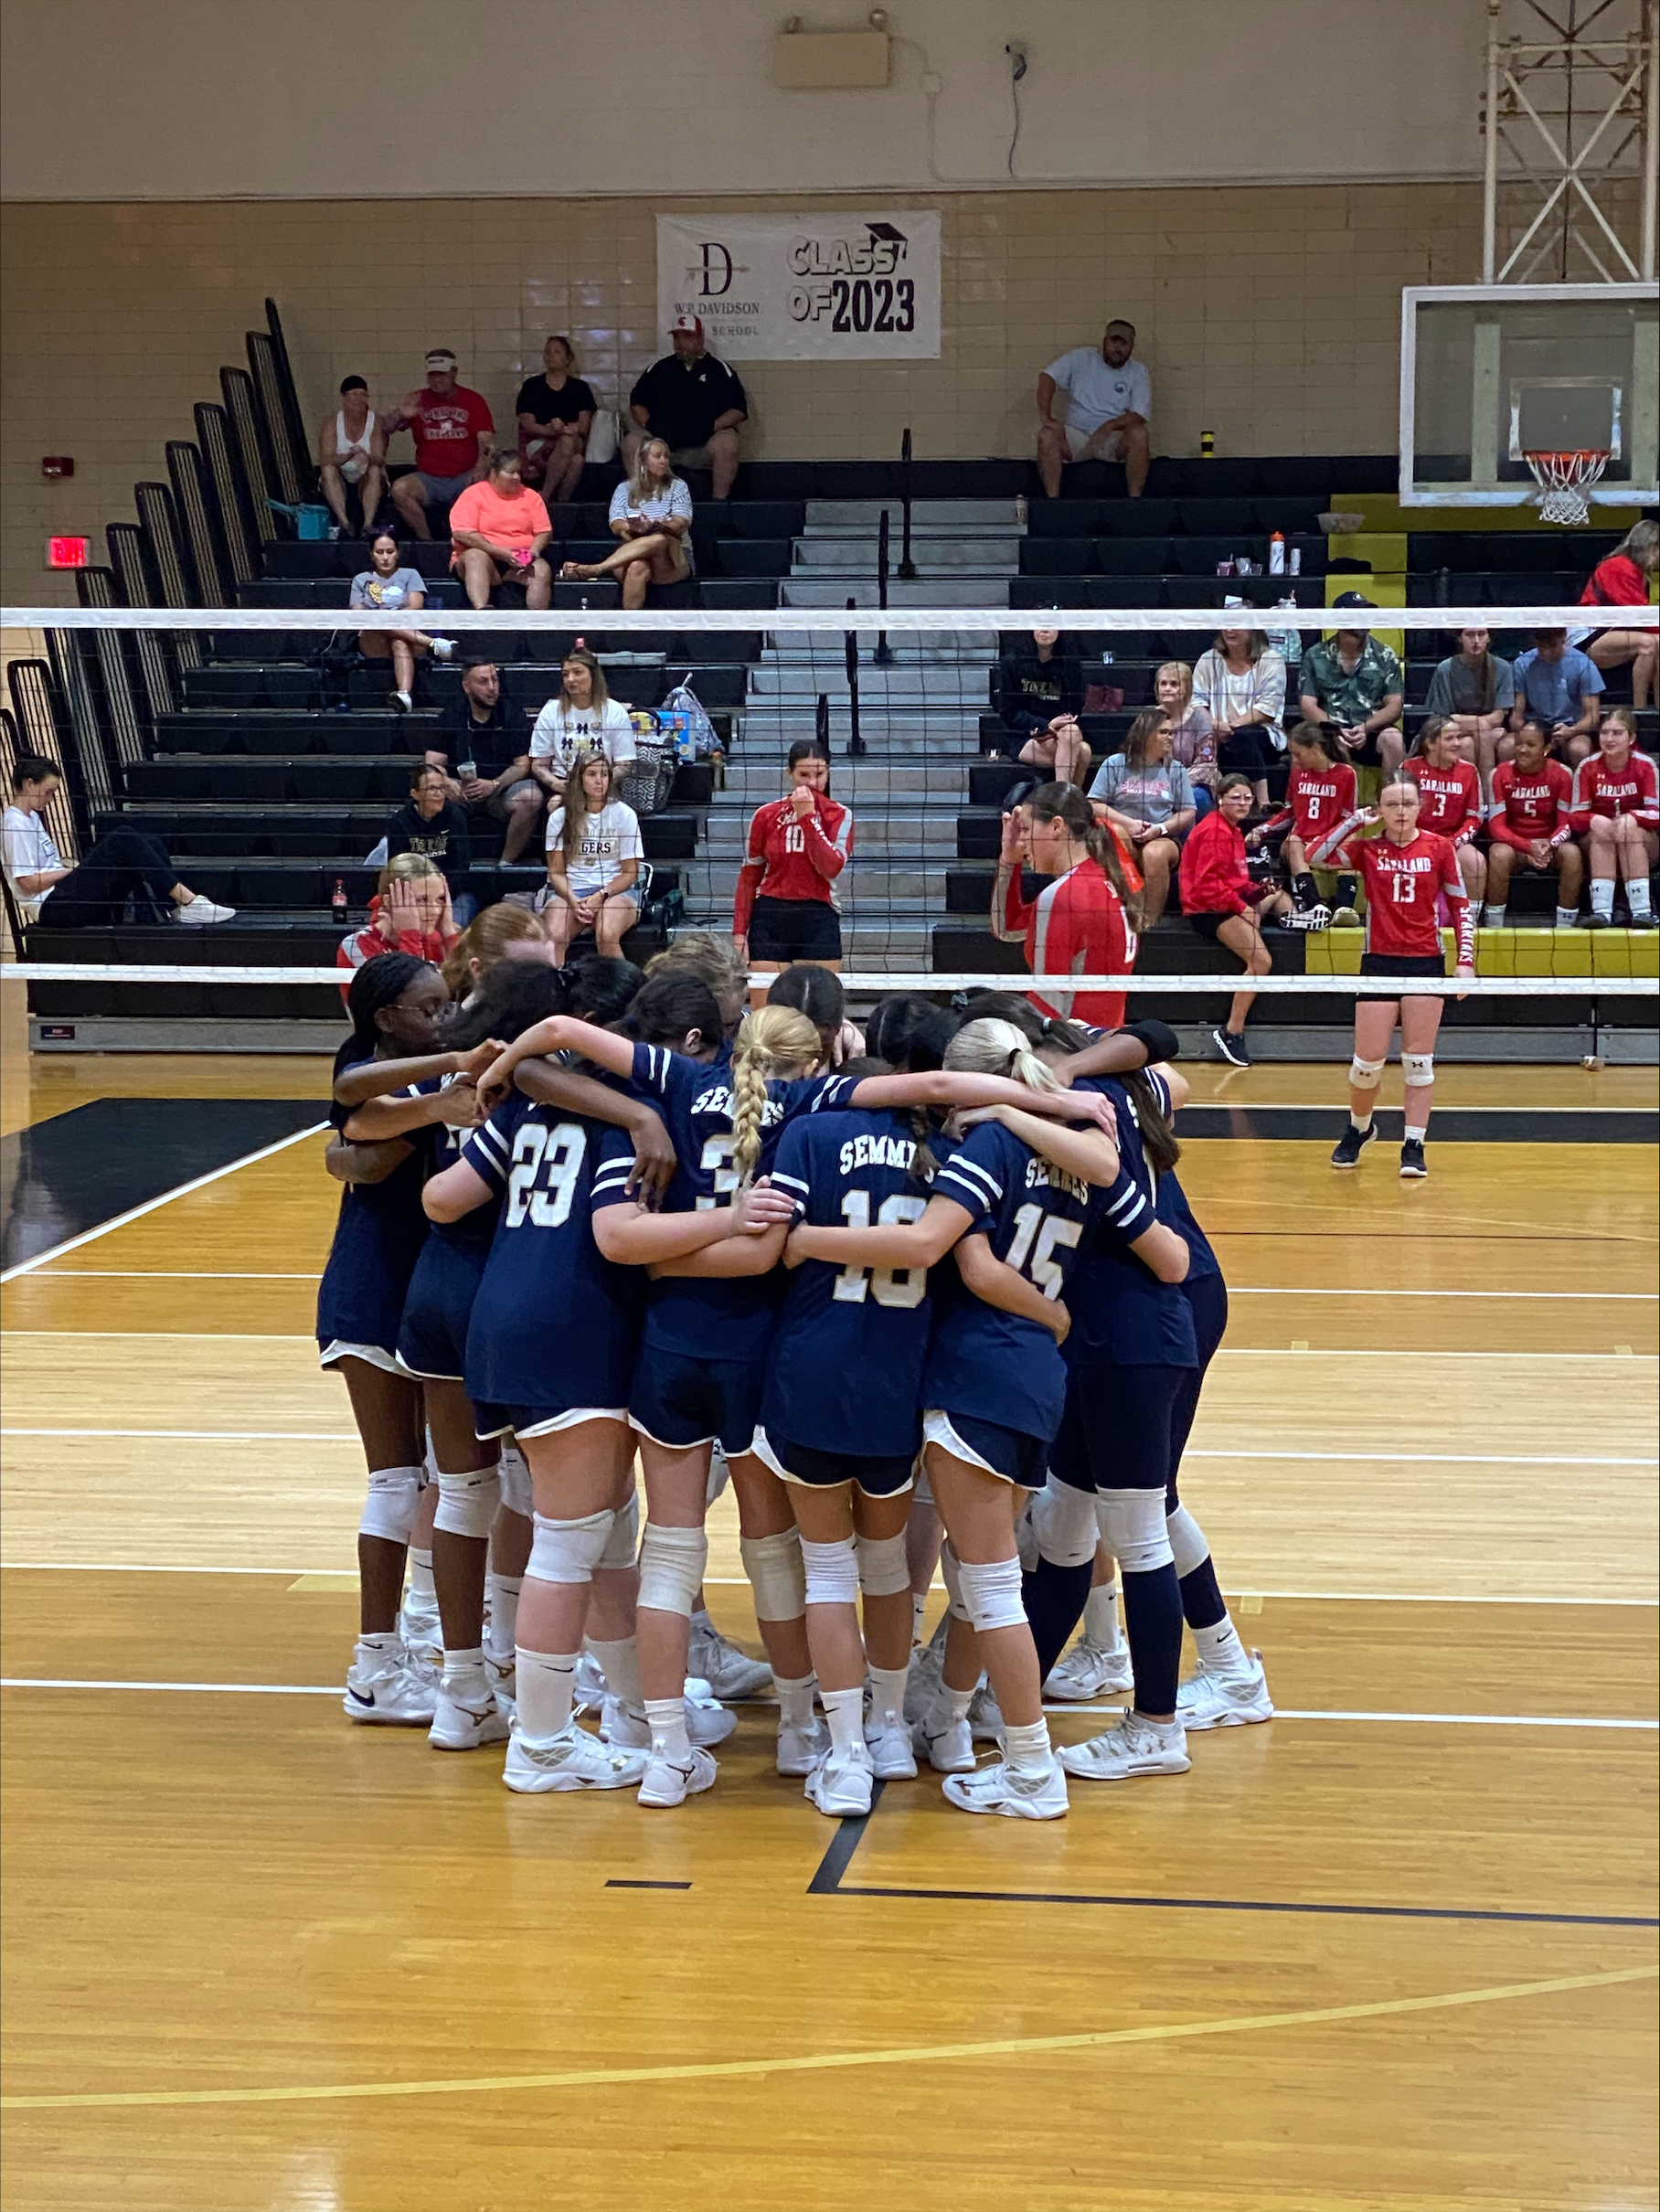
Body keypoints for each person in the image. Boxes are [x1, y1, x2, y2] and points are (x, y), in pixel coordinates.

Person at [477, 992, 1122, 1806]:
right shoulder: (819, 1109)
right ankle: (880, 1727)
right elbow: (931, 1124)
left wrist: (495, 1073)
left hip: (678, 1352)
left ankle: (678, 1743)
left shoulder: (686, 1087)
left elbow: (561, 1036)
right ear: (818, 1061)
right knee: (875, 1563)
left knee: (685, 1552)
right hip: (824, 1369)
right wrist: (1052, 1100)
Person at [784, 1016, 1123, 1819]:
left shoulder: (988, 1150)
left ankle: (1032, 1768)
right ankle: (950, 1726)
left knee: (990, 1587)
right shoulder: (1064, 1157)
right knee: (982, 1583)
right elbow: (1108, 1164)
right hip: (1037, 1384)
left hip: (977, 1376)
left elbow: (948, 1252)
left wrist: (802, 1239)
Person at [319, 954, 492, 1724]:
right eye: (430, 1007)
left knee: (430, 1474)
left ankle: (418, 1634)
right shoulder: (370, 1068)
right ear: (389, 1017)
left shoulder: (417, 1076)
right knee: (397, 1479)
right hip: (372, 1289)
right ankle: (374, 1667)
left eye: (450, 1002)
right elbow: (360, 1136)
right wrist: (440, 1105)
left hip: (417, 1294)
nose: (445, 1016)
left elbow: (350, 1147)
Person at [1329, 780, 1476, 1178]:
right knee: (1366, 1064)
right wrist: (1354, 823)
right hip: (1378, 962)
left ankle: (1414, 1143)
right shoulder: (1368, 848)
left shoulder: (1439, 847)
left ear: (1420, 806)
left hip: (1425, 962)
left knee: (1418, 1063)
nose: (1400, 810)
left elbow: (1461, 906)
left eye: (1408, 803)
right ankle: (1359, 1128)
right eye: (1391, 803)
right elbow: (1317, 854)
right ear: (1380, 807)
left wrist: (1466, 960)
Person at [2, 754, 233, 929]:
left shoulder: (30, 817)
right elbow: (28, 883)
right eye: (49, 792)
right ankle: (188, 901)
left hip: (61, 895)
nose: (51, 799)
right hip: (52, 908)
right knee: (123, 837)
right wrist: (71, 871)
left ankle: (176, 908)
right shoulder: (14, 823)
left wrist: (68, 865)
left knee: (146, 841)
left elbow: (41, 866)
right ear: (30, 784)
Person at [993, 781, 1142, 1030]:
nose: (1022, 840)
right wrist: (1009, 861)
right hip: (1105, 1041)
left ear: (1056, 827)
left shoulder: (1064, 896)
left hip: (1072, 1047)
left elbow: (1048, 1004)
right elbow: (1007, 928)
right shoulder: (1104, 879)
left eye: (1027, 828)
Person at [1178, 772, 1293, 1069]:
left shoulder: (1234, 830)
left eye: (1247, 798)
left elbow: (1234, 881)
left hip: (1226, 903)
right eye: (1235, 797)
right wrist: (1242, 907)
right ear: (1220, 799)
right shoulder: (1213, 831)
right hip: (1207, 910)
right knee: (1262, 962)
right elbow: (1206, 887)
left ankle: (1297, 921)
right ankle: (1232, 1031)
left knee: (1275, 893)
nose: (1242, 803)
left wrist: (1256, 891)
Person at [733, 741, 852, 977]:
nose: (811, 782)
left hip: (818, 915)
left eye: (819, 774)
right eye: (803, 775)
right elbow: (749, 877)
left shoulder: (839, 815)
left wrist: (807, 818)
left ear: (828, 772)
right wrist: (739, 933)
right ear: (790, 774)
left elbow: (831, 868)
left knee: (819, 1010)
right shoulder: (766, 815)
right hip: (770, 916)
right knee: (767, 1010)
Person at [1088, 708, 1197, 929]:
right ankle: (1123, 912)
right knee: (1114, 834)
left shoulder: (1176, 770)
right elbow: (1093, 804)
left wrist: (1160, 829)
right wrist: (1128, 823)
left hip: (1161, 837)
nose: (1170, 737)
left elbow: (1188, 811)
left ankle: (1148, 922)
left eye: (1172, 733)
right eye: (1164, 732)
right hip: (1124, 833)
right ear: (1146, 733)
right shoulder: (1115, 764)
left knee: (1154, 853)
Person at [1247, 720, 1360, 928]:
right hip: (1301, 841)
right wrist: (1262, 829)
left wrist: (1327, 840)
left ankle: (1344, 910)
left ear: (1315, 748)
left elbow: (1348, 818)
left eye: (1298, 754)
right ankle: (1314, 905)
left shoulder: (1346, 774)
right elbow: (1291, 812)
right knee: (1294, 840)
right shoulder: (1298, 774)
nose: (1294, 760)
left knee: (1352, 841)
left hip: (1331, 840)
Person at [430, 659, 543, 865]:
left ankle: (505, 863)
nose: (492, 688)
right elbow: (432, 764)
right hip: (462, 790)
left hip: (500, 791)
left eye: (495, 680)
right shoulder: (452, 714)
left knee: (531, 795)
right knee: (430, 790)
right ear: (466, 686)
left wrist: (494, 784)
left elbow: (523, 764)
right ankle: (448, 864)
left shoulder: (512, 713)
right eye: (483, 682)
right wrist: (446, 782)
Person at [625, 314, 748, 501]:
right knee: (631, 442)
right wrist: (649, 425)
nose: (681, 343)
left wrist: (712, 427)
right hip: (663, 444)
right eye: (677, 337)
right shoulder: (659, 369)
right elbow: (637, 403)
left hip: (702, 446)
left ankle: (719, 505)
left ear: (700, 338)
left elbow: (738, 410)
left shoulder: (719, 370)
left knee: (728, 442)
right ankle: (644, 503)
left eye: (687, 337)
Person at [562, 438, 693, 610]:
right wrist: (635, 527)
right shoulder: (624, 489)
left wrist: (656, 525)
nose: (664, 461)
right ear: (643, 460)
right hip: (633, 556)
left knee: (659, 539)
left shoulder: (678, 486)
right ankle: (629, 630)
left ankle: (598, 569)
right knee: (637, 568)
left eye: (666, 457)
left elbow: (681, 523)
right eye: (658, 456)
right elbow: (616, 524)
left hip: (672, 560)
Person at [544, 751, 643, 964]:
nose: (600, 781)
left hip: (615, 891)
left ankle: (631, 992)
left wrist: (602, 895)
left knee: (606, 934)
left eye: (605, 774)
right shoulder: (559, 818)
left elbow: (630, 873)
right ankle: (555, 994)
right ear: (578, 779)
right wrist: (572, 898)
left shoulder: (625, 814)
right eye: (592, 774)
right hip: (572, 891)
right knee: (554, 938)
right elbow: (556, 873)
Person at [1484, 719, 1582, 931]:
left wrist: (1549, 845)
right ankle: (1494, 927)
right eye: (1519, 743)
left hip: (1550, 845)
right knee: (1498, 853)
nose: (1522, 749)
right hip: (1515, 847)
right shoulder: (1499, 774)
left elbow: (1566, 822)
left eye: (1530, 745)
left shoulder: (1563, 774)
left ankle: (1565, 929)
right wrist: (1528, 847)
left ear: (1546, 748)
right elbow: (1496, 826)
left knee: (1572, 854)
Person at [1036, 320, 1152, 499]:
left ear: (1132, 347)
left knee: (1139, 434)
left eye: (1124, 344)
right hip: (1076, 436)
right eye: (1114, 341)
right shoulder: (1080, 358)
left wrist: (1108, 427)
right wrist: (1046, 418)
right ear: (1105, 341)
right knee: (1046, 435)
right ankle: (1053, 500)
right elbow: (1047, 377)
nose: (1117, 348)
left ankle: (1134, 500)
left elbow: (1139, 415)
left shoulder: (1138, 371)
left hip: (1112, 440)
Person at [388, 349, 495, 541]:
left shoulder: (473, 400)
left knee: (484, 488)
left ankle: (466, 542)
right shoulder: (417, 399)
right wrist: (399, 414)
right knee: (400, 489)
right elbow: (384, 429)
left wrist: (480, 469)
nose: (437, 380)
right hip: (428, 478)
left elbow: (486, 443)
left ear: (454, 373)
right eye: (433, 375)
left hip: (464, 475)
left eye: (442, 374)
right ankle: (427, 541)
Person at [1296, 596, 1406, 781]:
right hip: (1330, 730)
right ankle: (1339, 806)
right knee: (1311, 740)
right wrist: (1335, 729)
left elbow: (1395, 705)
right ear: (1340, 618)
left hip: (1370, 729)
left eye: (1367, 614)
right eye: (1357, 614)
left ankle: (1391, 801)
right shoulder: (1315, 655)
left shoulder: (1385, 655)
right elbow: (1307, 704)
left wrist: (1365, 727)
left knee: (1393, 738)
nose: (1364, 619)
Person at [1570, 707, 1659, 929]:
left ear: (1632, 738)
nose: (1609, 739)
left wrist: (1633, 817)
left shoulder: (1645, 766)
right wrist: (1593, 819)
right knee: (1603, 831)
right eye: (1604, 732)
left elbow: (1657, 813)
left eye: (1617, 733)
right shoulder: (1587, 767)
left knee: (1631, 831)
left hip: (1643, 843)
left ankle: (1642, 912)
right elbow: (1574, 817)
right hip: (1600, 842)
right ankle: (1601, 913)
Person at [351, 529, 453, 712]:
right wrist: (382, 617)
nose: (385, 558)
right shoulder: (361, 580)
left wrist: (387, 617)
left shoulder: (410, 575)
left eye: (390, 552)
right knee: (377, 622)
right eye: (379, 552)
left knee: (398, 641)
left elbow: (416, 606)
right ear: (371, 554)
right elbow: (359, 614)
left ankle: (404, 694)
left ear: (398, 553)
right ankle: (434, 644)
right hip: (373, 640)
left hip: (409, 638)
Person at [527, 650, 637, 808]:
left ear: (593, 676)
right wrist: (555, 784)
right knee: (556, 804)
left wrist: (597, 782)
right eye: (565, 674)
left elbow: (624, 764)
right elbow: (538, 765)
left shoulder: (614, 711)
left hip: (603, 786)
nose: (570, 679)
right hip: (563, 786)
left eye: (577, 672)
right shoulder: (551, 710)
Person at [446, 452, 553, 612]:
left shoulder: (531, 496)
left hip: (520, 555)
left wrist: (533, 552)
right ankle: (482, 610)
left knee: (541, 569)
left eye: (519, 472)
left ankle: (536, 626)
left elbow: (544, 532)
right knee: (475, 556)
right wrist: (500, 552)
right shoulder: (473, 494)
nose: (517, 477)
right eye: (511, 472)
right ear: (494, 473)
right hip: (484, 554)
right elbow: (463, 533)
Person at [335, 853, 460, 990]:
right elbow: (410, 999)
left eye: (440, 899)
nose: (435, 911)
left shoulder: (436, 940)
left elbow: (464, 996)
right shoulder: (357, 945)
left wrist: (448, 935)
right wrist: (409, 935)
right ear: (389, 902)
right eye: (422, 900)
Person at [1190, 626, 1287, 802]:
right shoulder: (1208, 659)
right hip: (1216, 733)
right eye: (1226, 624)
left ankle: (1263, 802)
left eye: (1237, 625)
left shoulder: (1271, 660)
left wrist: (1231, 727)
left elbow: (1267, 709)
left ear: (1253, 630)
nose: (1229, 630)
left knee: (1244, 736)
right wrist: (1216, 725)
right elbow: (1196, 702)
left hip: (1262, 736)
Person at [1403, 716, 1486, 906]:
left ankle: (1470, 923)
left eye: (1458, 738)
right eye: (1450, 739)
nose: (1457, 744)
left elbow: (1475, 818)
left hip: (1452, 838)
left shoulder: (1469, 771)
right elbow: (1402, 812)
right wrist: (1420, 840)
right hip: (1416, 838)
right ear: (1430, 744)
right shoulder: (1409, 768)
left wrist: (1453, 842)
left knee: (1475, 861)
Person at [993, 627, 1090, 788]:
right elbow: (1009, 712)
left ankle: (1062, 799)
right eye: (1040, 624)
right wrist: (1047, 725)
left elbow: (1075, 707)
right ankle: (1067, 802)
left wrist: (1056, 728)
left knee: (1073, 736)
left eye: (1050, 625)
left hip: (1062, 735)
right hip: (1024, 736)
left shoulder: (1069, 664)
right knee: (1083, 752)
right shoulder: (1013, 662)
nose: (1045, 630)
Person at [1578, 520, 1658, 712]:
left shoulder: (1636, 571)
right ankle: (1640, 711)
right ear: (1650, 546)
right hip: (1587, 639)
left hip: (1610, 634)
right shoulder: (1618, 566)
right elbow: (1639, 614)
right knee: (1649, 643)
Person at [387, 763, 474, 925]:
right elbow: (398, 869)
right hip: (413, 896)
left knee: (454, 926)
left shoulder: (455, 816)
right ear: (415, 793)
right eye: (432, 789)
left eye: (441, 788)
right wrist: (422, 898)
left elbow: (461, 865)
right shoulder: (400, 822)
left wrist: (438, 896)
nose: (439, 794)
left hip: (451, 894)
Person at [515, 335, 597, 505]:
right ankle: (560, 502)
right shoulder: (532, 386)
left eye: (557, 352)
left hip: (571, 438)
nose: (550, 356)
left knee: (568, 441)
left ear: (568, 359)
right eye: (547, 352)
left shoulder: (580, 388)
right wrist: (550, 430)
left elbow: (584, 425)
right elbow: (527, 423)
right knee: (577, 461)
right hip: (539, 441)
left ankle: (545, 495)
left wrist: (566, 428)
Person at [1423, 627, 1514, 778]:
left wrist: (1473, 724)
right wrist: (1479, 725)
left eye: (1481, 634)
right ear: (1459, 638)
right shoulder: (1445, 669)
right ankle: (1487, 795)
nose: (1476, 641)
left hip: (1491, 728)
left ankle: (1480, 795)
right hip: (1454, 729)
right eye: (1470, 635)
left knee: (1470, 742)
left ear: (1489, 637)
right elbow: (1443, 719)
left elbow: (1498, 717)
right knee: (1478, 732)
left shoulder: (1502, 668)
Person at [1510, 629, 1603, 763]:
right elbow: (1516, 716)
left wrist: (1572, 730)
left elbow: (1592, 717)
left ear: (1564, 637)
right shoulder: (1522, 664)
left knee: (1579, 749)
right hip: (1534, 726)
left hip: (1572, 727)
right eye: (1542, 647)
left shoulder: (1583, 663)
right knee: (1506, 746)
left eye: (1552, 646)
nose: (1547, 652)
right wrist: (1530, 733)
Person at [318, 375, 388, 536]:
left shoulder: (374, 421)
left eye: (363, 395)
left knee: (375, 470)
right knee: (328, 470)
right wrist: (347, 456)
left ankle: (368, 524)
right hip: (342, 474)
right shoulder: (332, 422)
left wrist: (366, 457)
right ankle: (345, 523)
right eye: (355, 394)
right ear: (344, 397)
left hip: (365, 474)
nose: (360, 399)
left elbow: (379, 458)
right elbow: (325, 458)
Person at [766, 963, 866, 1068]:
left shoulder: (850, 1058)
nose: (806, 1066)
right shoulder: (752, 1046)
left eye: (818, 1051)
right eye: (791, 1048)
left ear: (837, 1028)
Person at [1152, 661, 1218, 802]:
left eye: (1174, 684)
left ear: (1187, 689)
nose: (1167, 688)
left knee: (1195, 798)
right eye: (1163, 684)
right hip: (1155, 784)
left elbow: (1206, 764)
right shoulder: (1148, 719)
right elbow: (1140, 757)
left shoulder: (1200, 719)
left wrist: (1176, 783)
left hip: (1195, 784)